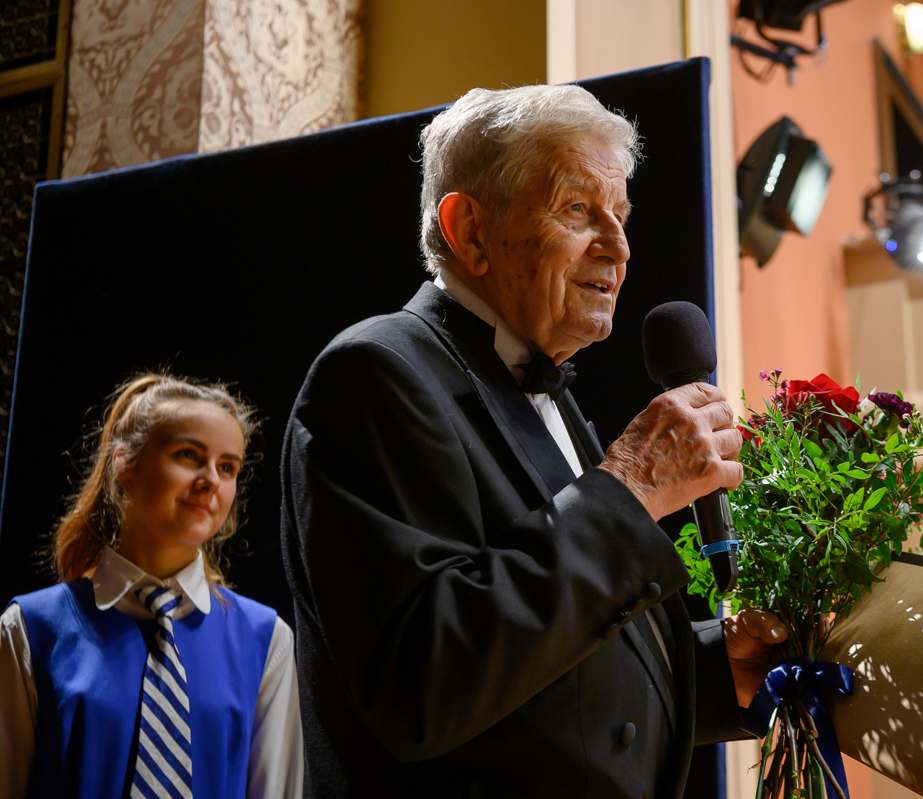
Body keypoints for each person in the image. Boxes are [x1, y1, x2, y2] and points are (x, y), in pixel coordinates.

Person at [280, 84, 786, 797]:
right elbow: (423, 680)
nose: (618, 246)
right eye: (578, 209)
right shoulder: (376, 373)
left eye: (621, 216)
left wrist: (717, 670)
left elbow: (552, 677)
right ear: (470, 230)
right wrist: (631, 488)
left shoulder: (541, 387)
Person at [0, 373, 304, 797]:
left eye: (227, 467)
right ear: (124, 464)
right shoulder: (29, 629)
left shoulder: (267, 641)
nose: (211, 479)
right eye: (188, 455)